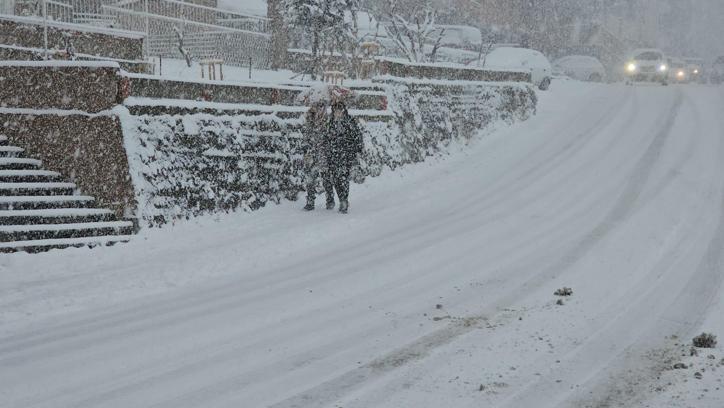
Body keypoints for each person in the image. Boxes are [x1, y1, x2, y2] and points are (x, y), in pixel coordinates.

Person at [322, 100, 364, 214]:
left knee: (344, 178)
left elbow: (357, 135)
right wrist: (327, 147)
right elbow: (325, 137)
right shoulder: (330, 122)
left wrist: (357, 149)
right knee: (335, 179)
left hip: (346, 155)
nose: (337, 112)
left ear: (343, 110)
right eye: (335, 110)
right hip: (333, 155)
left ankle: (344, 201)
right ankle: (341, 198)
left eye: (339, 110)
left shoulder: (349, 121)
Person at [301, 101, 328, 211]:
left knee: (326, 178)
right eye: (316, 106)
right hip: (311, 153)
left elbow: (328, 136)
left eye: (320, 107)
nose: (317, 109)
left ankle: (330, 198)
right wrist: (306, 146)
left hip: (323, 153)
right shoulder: (309, 119)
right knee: (310, 178)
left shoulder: (327, 119)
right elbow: (306, 135)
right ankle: (310, 201)